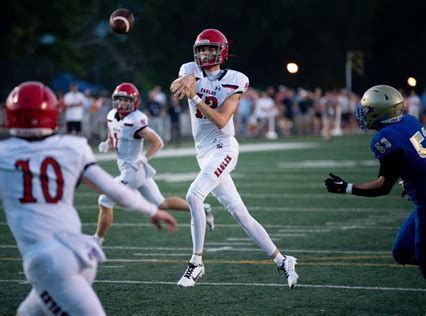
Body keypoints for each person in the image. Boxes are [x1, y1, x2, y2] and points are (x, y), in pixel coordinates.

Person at [0, 81, 177, 315]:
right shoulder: (71, 147)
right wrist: (151, 211)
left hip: (47, 263)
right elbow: (110, 188)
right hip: (82, 252)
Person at [170, 28, 299, 288]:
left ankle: (196, 263)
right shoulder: (190, 68)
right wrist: (185, 81)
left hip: (224, 147)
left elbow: (220, 120)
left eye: (210, 49)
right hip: (203, 153)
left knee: (194, 196)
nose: (205, 53)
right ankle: (283, 260)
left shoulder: (236, 80)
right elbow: (179, 83)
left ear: (222, 52)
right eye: (201, 49)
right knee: (240, 214)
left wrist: (194, 95)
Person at [325, 84, 426, 278]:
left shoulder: (386, 138)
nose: (363, 112)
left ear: (381, 113)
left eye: (368, 109)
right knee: (402, 252)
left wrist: (347, 188)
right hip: (421, 200)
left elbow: (383, 187)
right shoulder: (410, 120)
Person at [95, 82, 214, 245]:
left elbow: (157, 142)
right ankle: (202, 207)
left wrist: (143, 159)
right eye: (119, 99)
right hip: (132, 170)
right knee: (161, 203)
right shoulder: (112, 115)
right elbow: (113, 132)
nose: (122, 103)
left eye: (126, 100)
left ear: (133, 102)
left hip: (133, 171)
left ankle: (97, 240)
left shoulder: (136, 121)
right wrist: (108, 143)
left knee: (105, 200)